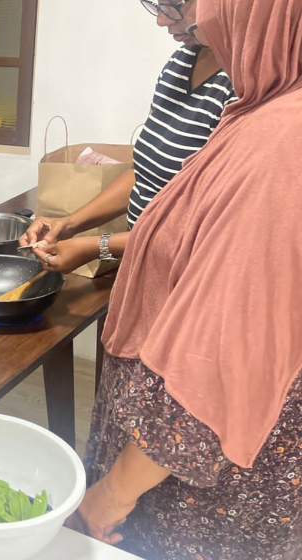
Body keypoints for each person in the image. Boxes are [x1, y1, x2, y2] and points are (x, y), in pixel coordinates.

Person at [66, 0, 302, 557]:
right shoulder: (260, 108)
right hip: (169, 449)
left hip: (198, 492)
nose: (194, 21)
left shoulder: (281, 144)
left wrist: (113, 494)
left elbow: (217, 363)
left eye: (193, 5)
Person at [21, 0, 236, 273]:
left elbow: (211, 227)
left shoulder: (244, 86)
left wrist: (96, 246)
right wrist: (70, 224)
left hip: (190, 274)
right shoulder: (180, 63)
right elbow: (144, 175)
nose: (161, 20)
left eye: (172, 5)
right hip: (144, 262)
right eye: (157, 6)